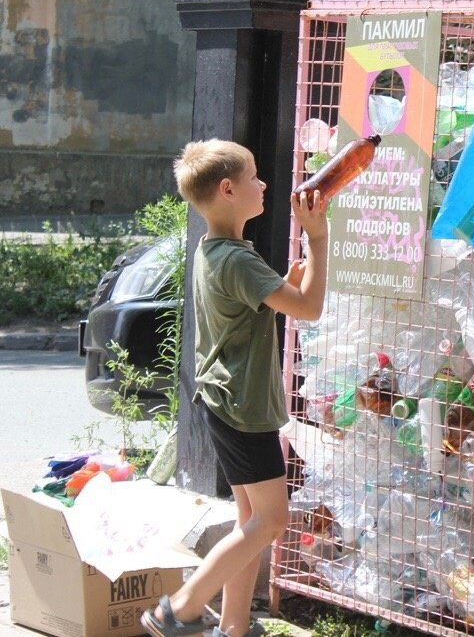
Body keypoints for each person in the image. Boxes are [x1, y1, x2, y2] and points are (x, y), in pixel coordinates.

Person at [142, 139, 328, 637]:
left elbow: (259, 305)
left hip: (225, 400)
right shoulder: (235, 260)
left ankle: (233, 628)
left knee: (251, 521)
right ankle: (178, 607)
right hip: (242, 407)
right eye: (253, 177)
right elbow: (309, 309)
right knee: (270, 522)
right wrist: (319, 237)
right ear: (227, 189)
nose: (264, 184)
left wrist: (280, 288)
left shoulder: (217, 250)